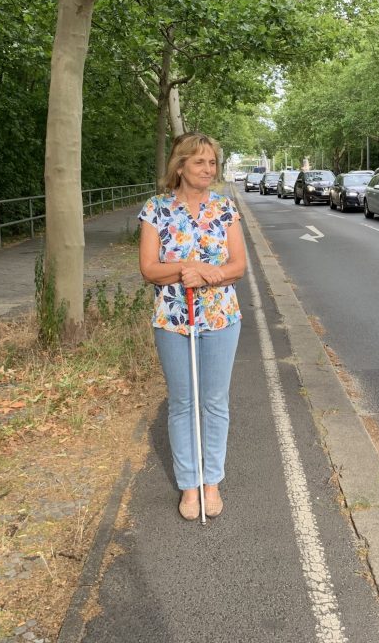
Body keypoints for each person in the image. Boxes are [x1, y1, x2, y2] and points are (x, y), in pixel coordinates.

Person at [138, 133, 246, 521]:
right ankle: (189, 485)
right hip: (173, 319)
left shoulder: (225, 207)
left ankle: (212, 481)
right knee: (183, 402)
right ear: (180, 165)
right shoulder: (156, 209)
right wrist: (190, 270)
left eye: (213, 162)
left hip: (220, 317)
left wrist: (208, 275)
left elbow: (238, 266)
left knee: (214, 402)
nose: (208, 169)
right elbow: (150, 269)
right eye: (200, 162)